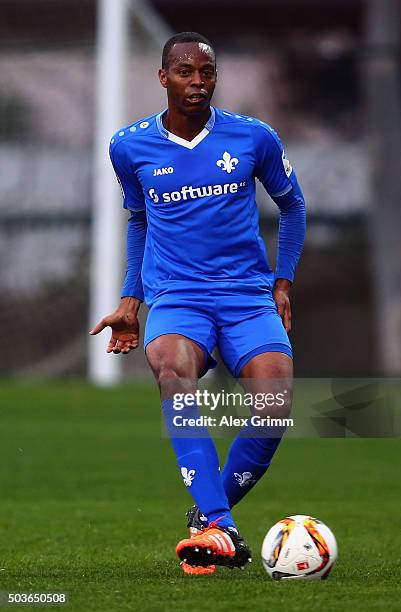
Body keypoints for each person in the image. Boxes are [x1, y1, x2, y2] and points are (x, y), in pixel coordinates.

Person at [90, 31, 306, 575]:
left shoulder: (254, 138)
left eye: (206, 72)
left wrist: (282, 282)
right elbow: (139, 219)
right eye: (185, 72)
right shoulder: (128, 145)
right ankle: (222, 526)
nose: (197, 82)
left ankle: (207, 519)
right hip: (177, 296)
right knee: (172, 370)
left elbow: (293, 207)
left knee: (275, 399)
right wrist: (130, 300)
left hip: (246, 295)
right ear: (163, 77)